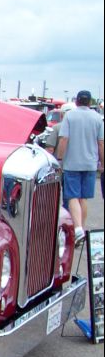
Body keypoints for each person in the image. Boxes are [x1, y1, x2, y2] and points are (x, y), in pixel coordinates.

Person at [55, 90, 105, 245]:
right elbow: (101, 142)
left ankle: (77, 230)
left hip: (72, 163)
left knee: (72, 196)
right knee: (83, 198)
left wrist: (60, 158)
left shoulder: (70, 116)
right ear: (90, 102)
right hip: (90, 164)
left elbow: (64, 139)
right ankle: (81, 228)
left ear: (76, 101)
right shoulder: (98, 118)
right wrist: (102, 162)